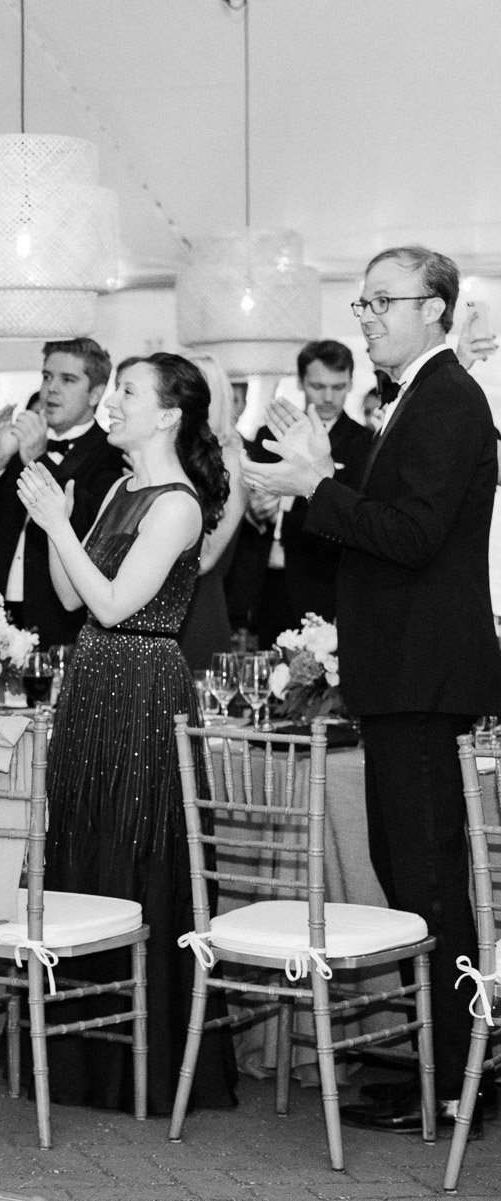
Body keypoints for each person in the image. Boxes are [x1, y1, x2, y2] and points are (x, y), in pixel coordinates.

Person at [245, 245, 501, 1132]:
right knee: (409, 871)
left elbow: (417, 535)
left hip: (427, 674)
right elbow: (387, 523)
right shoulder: (413, 401)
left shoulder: (450, 400)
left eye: (380, 302)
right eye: (360, 304)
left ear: (436, 308)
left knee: (430, 878)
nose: (366, 317)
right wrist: (323, 477)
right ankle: (440, 1061)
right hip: (403, 673)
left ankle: (463, 1075)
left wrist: (320, 482)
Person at [17, 351, 236, 1113]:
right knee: (83, 841)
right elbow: (70, 596)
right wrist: (57, 521)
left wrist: (55, 521)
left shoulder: (177, 502)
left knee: (138, 849)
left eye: (128, 391)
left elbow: (116, 606)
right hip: (92, 681)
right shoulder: (119, 486)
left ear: (170, 413)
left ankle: (144, 1063)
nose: (113, 402)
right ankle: (79, 1063)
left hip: (144, 687)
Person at [0, 337, 127, 647]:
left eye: (68, 379)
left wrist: (38, 461)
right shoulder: (20, 442)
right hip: (2, 613)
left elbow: (88, 525)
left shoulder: (111, 454)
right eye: (47, 376)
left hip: (63, 618)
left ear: (96, 394)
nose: (51, 389)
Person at [239, 340, 372, 645]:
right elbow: (251, 497)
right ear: (300, 382)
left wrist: (286, 516)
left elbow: (351, 517)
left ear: (351, 383)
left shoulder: (362, 443)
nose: (328, 397)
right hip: (266, 582)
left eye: (338, 387)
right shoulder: (268, 434)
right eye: (318, 386)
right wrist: (254, 511)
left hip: (321, 581)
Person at [175, 354, 249, 669]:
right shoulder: (172, 455)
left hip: (198, 607)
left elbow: (205, 557)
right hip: (152, 612)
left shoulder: (230, 459)